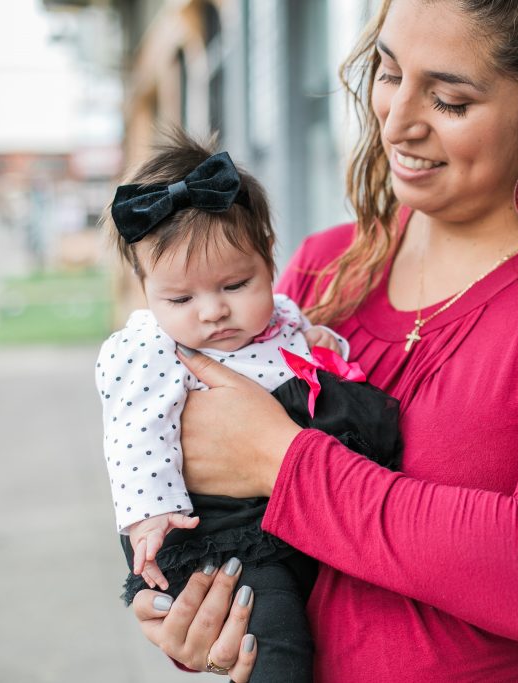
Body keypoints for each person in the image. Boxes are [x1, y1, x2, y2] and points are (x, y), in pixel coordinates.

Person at [129, 1, 518, 681]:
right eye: (388, 73)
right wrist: (206, 601)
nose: (397, 119)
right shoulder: (326, 271)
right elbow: (230, 497)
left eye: (448, 98)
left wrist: (282, 459)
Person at [95, 131, 402, 682]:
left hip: (291, 513)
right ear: (144, 291)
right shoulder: (151, 347)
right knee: (275, 643)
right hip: (214, 526)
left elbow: (307, 350)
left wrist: (325, 347)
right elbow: (135, 433)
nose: (213, 311)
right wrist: (149, 517)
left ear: (268, 255)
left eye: (236, 284)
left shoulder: (281, 313)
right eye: (180, 298)